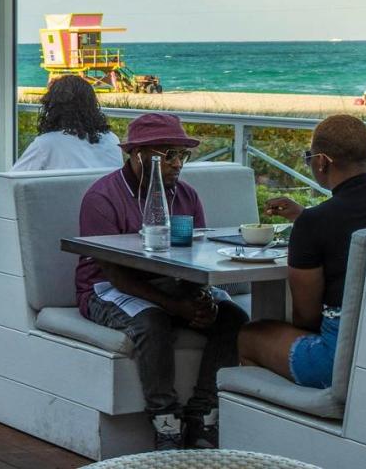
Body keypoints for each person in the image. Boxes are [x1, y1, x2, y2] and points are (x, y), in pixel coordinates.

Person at [75, 113, 248, 450]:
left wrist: (199, 300)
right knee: (152, 322)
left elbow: (194, 258)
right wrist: (177, 307)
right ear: (138, 154)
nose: (178, 163)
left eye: (182, 155)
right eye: (168, 155)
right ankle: (166, 421)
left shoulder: (187, 196)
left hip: (173, 283)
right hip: (106, 287)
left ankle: (204, 413)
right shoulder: (103, 197)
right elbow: (114, 272)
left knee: (232, 317)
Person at [238, 115, 366, 389]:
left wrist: (307, 222)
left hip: (340, 361)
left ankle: (295, 418)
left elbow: (307, 317)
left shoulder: (315, 223)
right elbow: (360, 216)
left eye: (309, 157)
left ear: (322, 161)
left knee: (250, 334)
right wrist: (306, 216)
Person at [13, 75, 123, 171]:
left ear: (53, 107)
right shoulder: (112, 140)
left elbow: (10, 182)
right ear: (92, 106)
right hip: (103, 195)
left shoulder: (46, 144)